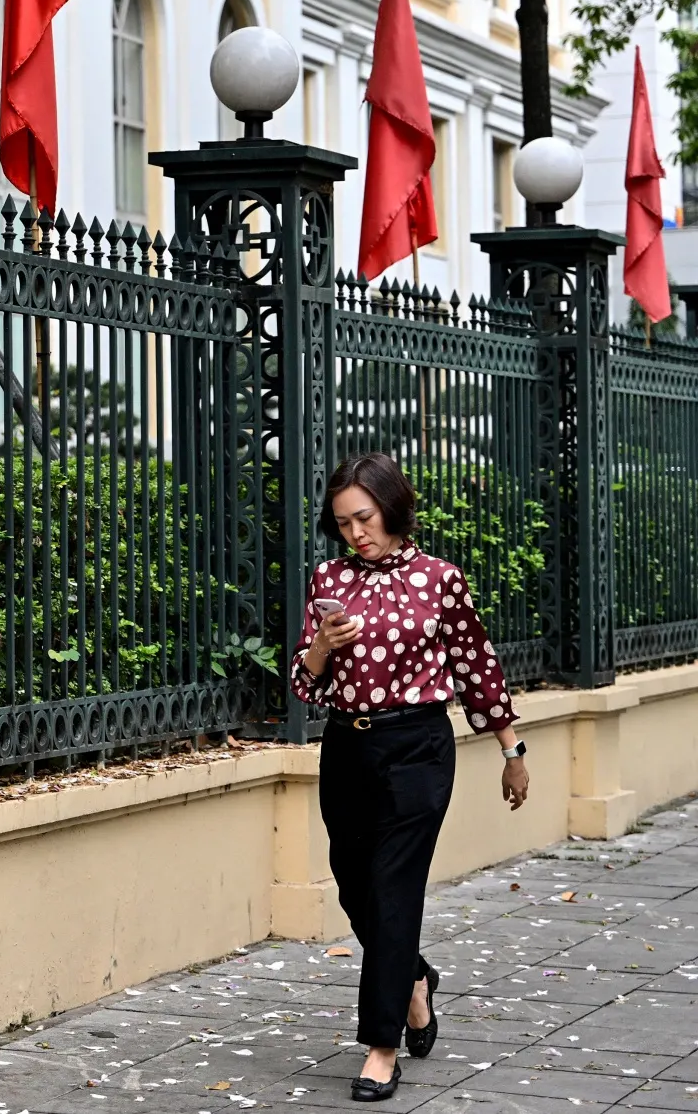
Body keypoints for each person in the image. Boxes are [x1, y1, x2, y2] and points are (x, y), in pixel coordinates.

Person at [293, 452, 529, 1102]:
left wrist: (512, 750)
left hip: (417, 748)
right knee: (355, 886)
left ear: (391, 508)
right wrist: (322, 648)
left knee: (395, 890)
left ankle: (381, 1046)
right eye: (342, 524)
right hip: (347, 747)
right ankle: (415, 980)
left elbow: (477, 666)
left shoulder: (440, 580)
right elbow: (302, 683)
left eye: (363, 518)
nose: (354, 534)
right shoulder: (327, 580)